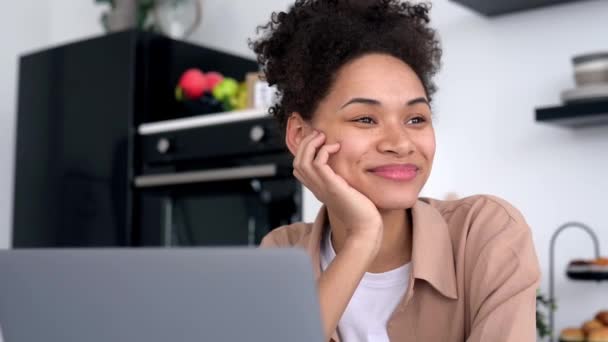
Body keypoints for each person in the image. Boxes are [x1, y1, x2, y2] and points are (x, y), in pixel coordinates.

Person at [250, 1, 541, 341]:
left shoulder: (485, 233)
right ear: (301, 136)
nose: (400, 143)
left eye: (416, 119)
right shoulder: (283, 253)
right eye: (365, 119)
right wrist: (362, 239)